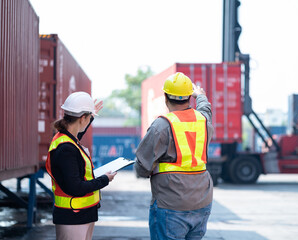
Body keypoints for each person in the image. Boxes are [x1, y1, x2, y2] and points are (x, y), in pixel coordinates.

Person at [135, 72, 214, 240]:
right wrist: (200, 96)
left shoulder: (162, 125)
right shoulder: (203, 121)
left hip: (170, 204)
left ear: (165, 97)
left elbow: (142, 166)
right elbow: (205, 109)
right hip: (202, 202)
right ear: (189, 97)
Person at [45, 91, 117, 240]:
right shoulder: (66, 149)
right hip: (72, 216)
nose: (90, 119)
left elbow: (77, 134)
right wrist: (105, 179)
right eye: (89, 117)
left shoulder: (66, 139)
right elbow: (75, 187)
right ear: (82, 117)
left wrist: (90, 116)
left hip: (81, 214)